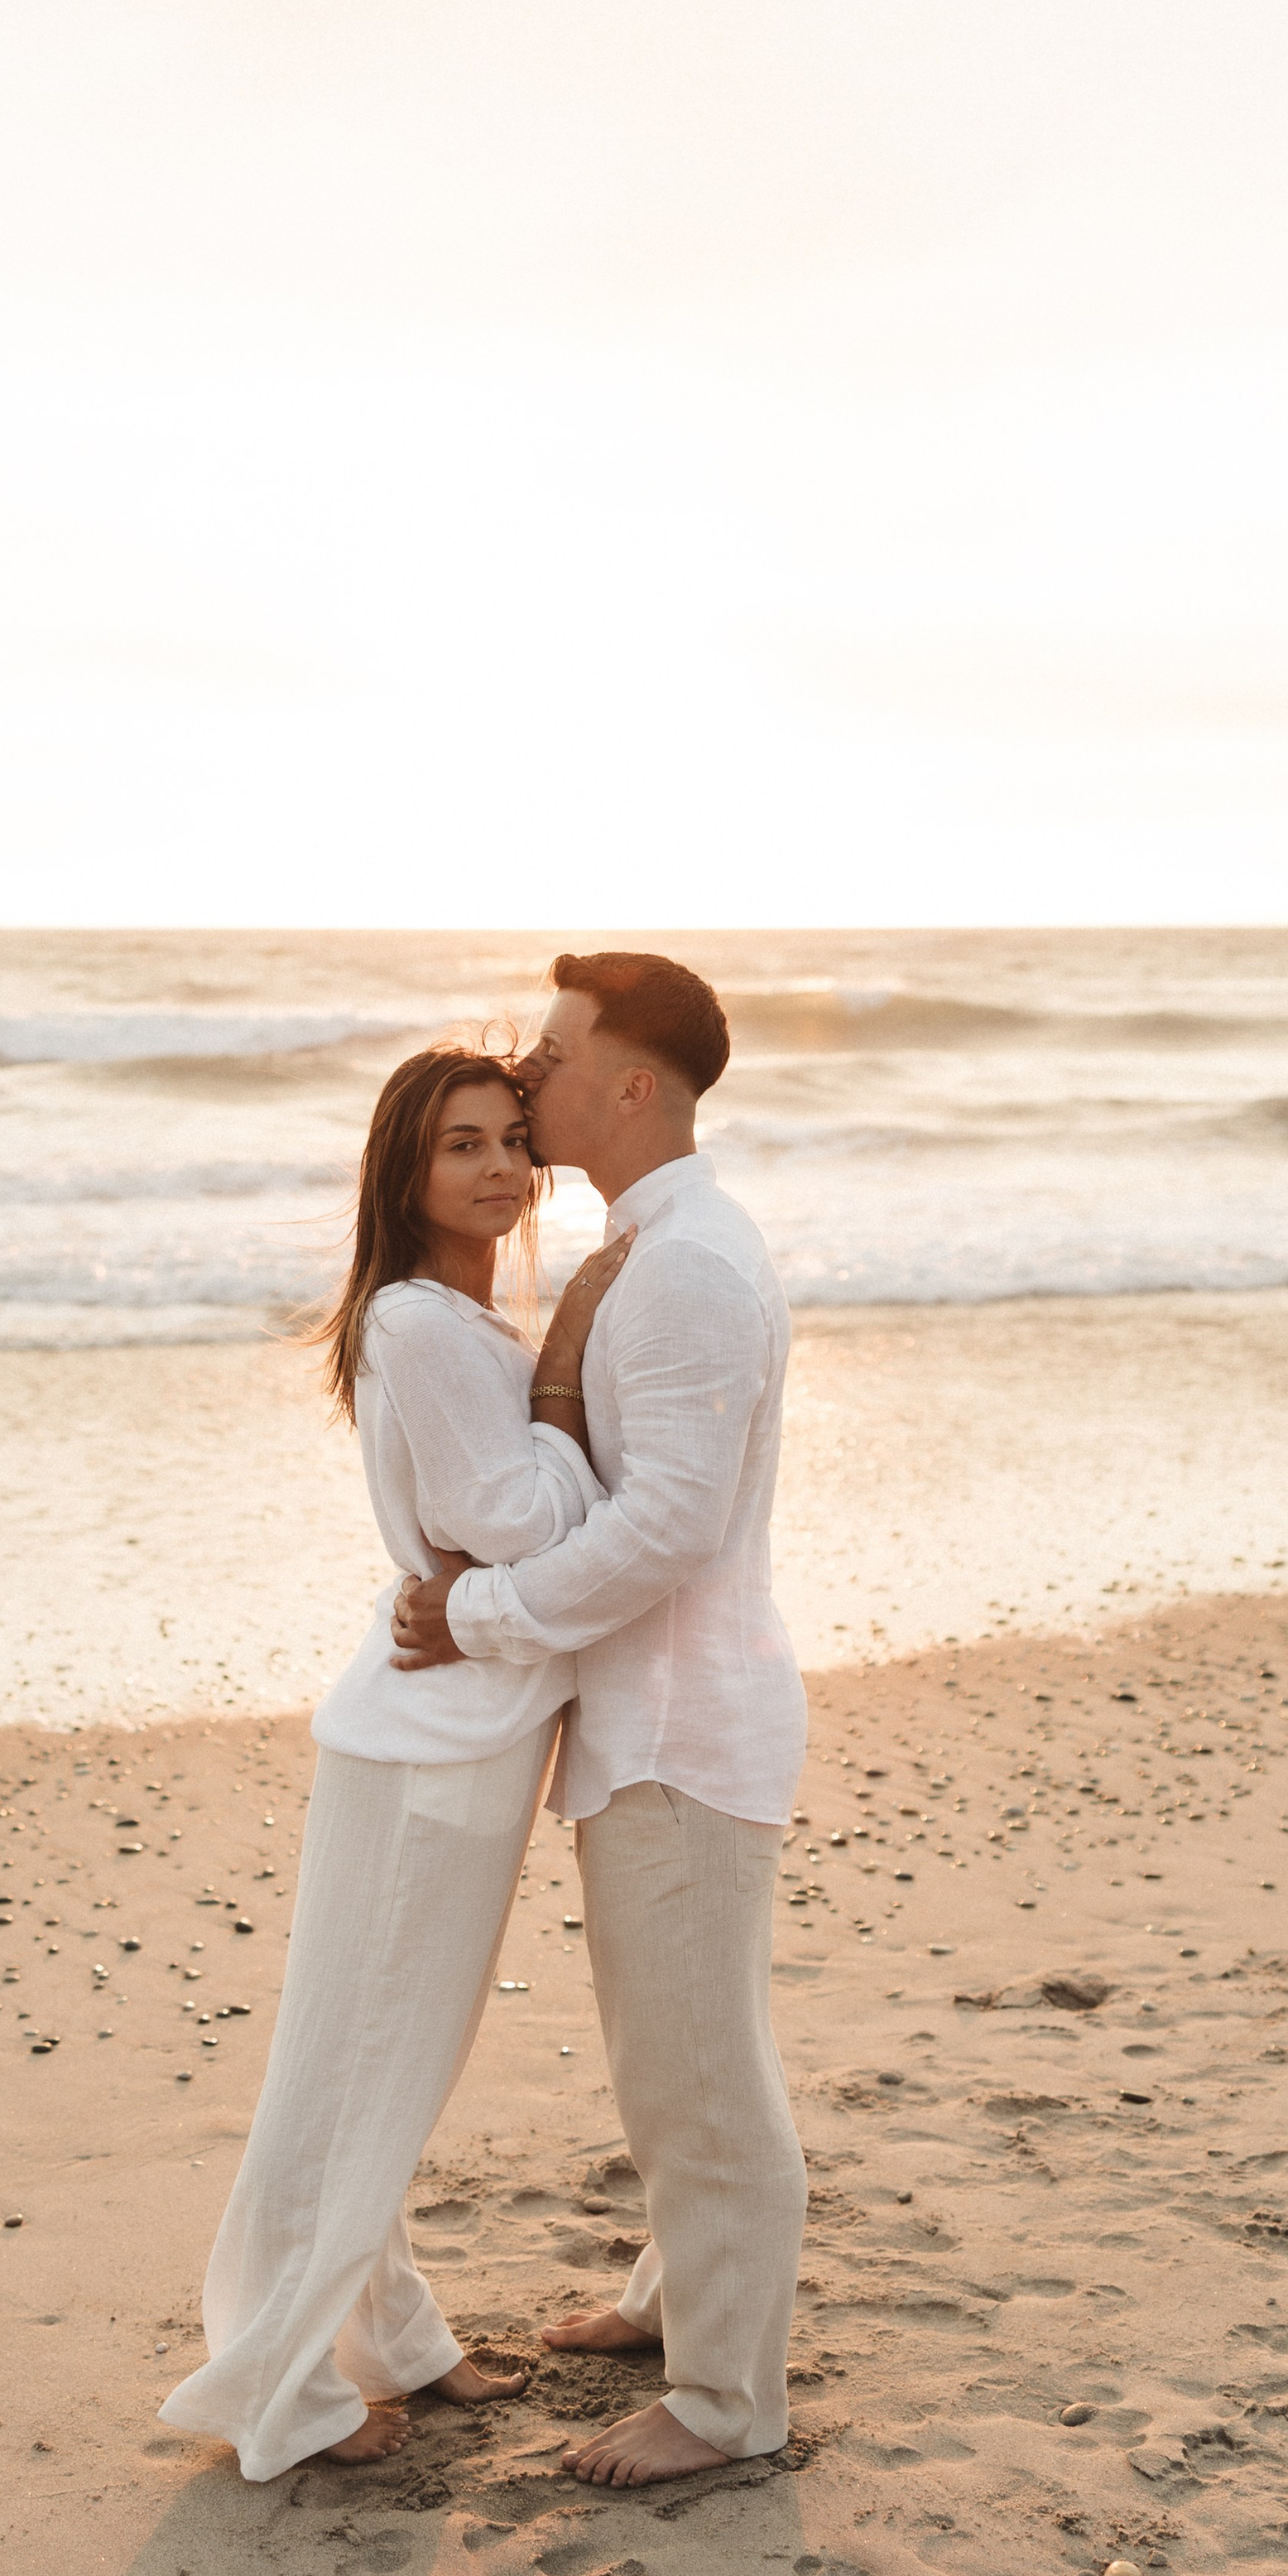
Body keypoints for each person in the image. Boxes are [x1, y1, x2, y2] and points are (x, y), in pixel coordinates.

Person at [156, 1043, 632, 2481]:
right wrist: (566, 1401)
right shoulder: (427, 1327)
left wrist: (546, 1385)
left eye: (508, 1142)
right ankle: (278, 2393)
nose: (497, 1169)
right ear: (403, 1174)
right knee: (358, 2070)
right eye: (458, 1147)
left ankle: (398, 2340)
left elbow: (504, 1518)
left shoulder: (457, 1322)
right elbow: (512, 1522)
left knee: (387, 2067)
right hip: (429, 1748)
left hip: (452, 1735)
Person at [389, 951, 808, 2489]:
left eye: (557, 1054)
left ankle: (724, 2405)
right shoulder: (655, 1245)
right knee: (679, 2041)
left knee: (698, 2076)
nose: (530, 1076)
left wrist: (478, 1618)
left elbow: (671, 1528)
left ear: (633, 1084)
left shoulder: (686, 1265)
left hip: (687, 1725)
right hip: (659, 1715)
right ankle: (665, 2298)